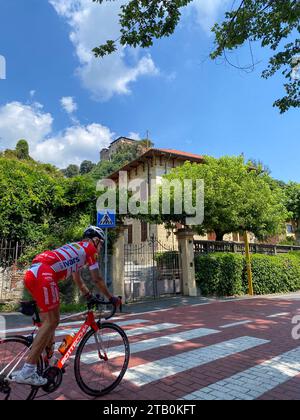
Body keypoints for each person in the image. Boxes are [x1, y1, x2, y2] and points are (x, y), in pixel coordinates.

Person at [13, 226, 120, 386]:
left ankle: (49, 362)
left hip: (34, 273)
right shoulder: (90, 249)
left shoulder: (76, 249)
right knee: (53, 321)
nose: (100, 248)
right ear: (96, 240)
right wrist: (111, 298)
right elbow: (97, 279)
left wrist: (87, 295)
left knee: (48, 324)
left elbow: (76, 278)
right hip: (45, 274)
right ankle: (28, 370)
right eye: (101, 244)